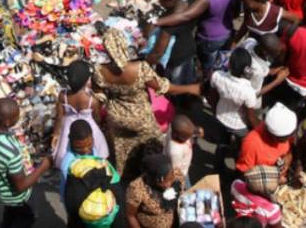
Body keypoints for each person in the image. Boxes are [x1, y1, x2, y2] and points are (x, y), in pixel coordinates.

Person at [94, 28, 199, 179]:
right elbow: (164, 87)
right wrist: (191, 88)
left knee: (122, 147)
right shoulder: (139, 68)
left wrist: (99, 122)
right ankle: (152, 174)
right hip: (141, 119)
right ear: (124, 45)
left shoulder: (99, 71)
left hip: (116, 118)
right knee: (153, 143)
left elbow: (99, 97)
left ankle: (125, 174)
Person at [0, 98, 53, 228]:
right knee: (28, 216)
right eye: (17, 115)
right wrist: (43, 166)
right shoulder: (11, 153)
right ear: (7, 122)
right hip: (16, 196)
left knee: (11, 211)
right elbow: (21, 186)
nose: (19, 117)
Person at [53, 61, 110, 167]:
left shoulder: (62, 96)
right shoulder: (92, 100)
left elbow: (59, 117)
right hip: (88, 129)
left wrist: (56, 135)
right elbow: (97, 118)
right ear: (86, 81)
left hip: (68, 129)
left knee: (69, 158)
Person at [125, 153, 180, 228]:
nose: (168, 185)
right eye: (161, 181)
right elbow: (130, 216)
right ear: (152, 178)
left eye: (170, 179)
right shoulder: (137, 189)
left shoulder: (177, 174)